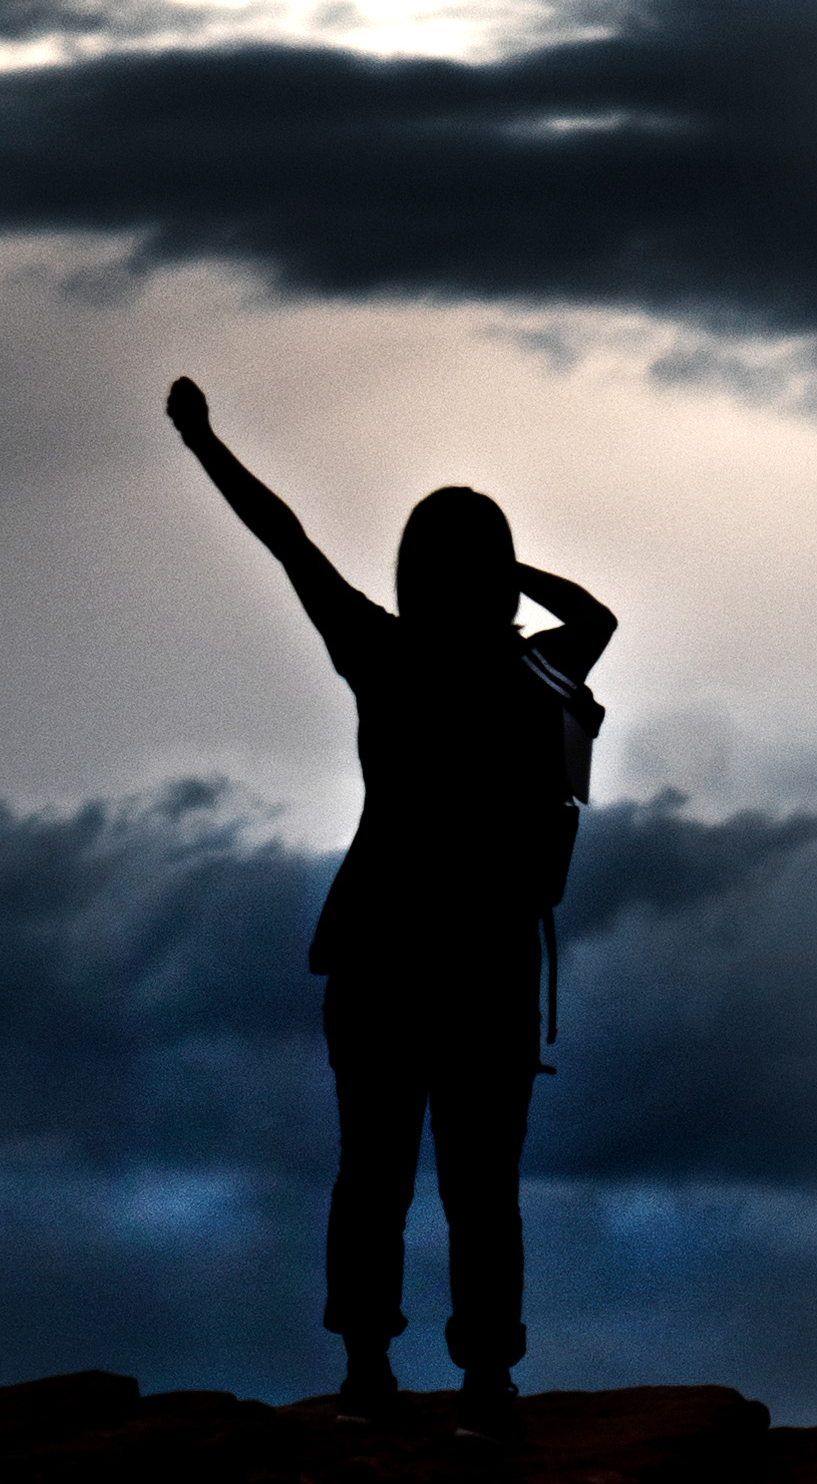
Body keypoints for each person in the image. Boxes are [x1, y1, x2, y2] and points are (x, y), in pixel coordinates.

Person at [165, 374, 613, 1425]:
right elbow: (596, 614)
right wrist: (508, 574)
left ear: (412, 568)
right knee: (479, 1187)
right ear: (494, 572)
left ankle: (368, 1368)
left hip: (380, 957)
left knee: (373, 1175)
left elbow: (287, 541)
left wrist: (204, 442)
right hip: (489, 961)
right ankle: (485, 1375)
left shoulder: (381, 651)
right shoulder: (537, 667)